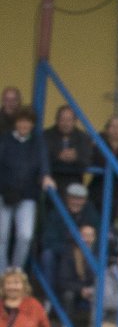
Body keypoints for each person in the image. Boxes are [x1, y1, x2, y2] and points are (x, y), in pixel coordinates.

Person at [0, 105, 52, 271]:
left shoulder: (38, 141)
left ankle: (15, 272)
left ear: (32, 125)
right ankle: (2, 275)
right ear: (16, 123)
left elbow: (44, 163)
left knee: (25, 236)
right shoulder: (5, 139)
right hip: (4, 193)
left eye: (28, 122)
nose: (24, 125)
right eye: (21, 122)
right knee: (1, 236)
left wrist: (46, 176)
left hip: (28, 195)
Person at [43, 104, 92, 195]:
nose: (65, 123)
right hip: (52, 182)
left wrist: (76, 157)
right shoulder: (46, 135)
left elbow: (87, 159)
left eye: (69, 120)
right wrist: (58, 156)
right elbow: (41, 157)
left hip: (75, 183)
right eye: (62, 119)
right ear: (57, 120)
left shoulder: (83, 137)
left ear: (75, 121)